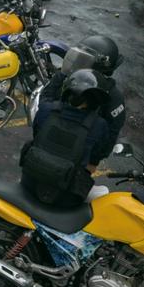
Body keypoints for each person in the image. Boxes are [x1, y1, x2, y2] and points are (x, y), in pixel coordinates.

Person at [21, 69, 111, 208]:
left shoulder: (46, 109)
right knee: (104, 193)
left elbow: (37, 134)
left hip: (28, 184)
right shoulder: (99, 125)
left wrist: (62, 72)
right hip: (66, 200)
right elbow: (95, 160)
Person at [41, 35, 126, 165]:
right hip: (76, 163)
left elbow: (44, 100)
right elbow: (108, 140)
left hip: (46, 152)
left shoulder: (66, 82)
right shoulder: (113, 98)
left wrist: (61, 75)